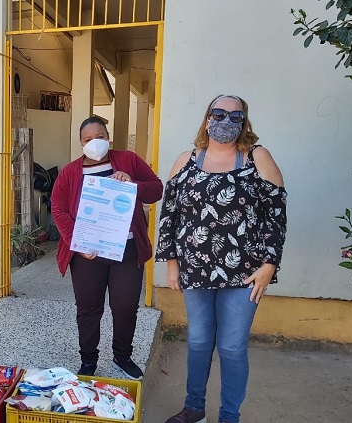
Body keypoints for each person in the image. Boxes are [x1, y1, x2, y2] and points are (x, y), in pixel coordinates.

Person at [155, 95, 287, 423]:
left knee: (231, 347)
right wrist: (172, 263)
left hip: (245, 273)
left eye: (234, 115)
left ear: (244, 121)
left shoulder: (257, 158)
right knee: (199, 341)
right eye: (218, 113)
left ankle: (230, 416)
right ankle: (194, 408)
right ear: (206, 118)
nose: (225, 120)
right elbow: (170, 213)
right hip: (195, 269)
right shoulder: (186, 160)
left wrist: (269, 265)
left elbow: (276, 215)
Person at [51, 116, 163, 380]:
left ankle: (122, 356)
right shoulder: (70, 172)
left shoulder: (128, 160)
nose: (95, 143)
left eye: (100, 137)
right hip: (88, 255)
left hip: (126, 250)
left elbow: (156, 190)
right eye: (88, 139)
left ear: (108, 137)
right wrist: (77, 243)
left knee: (125, 307)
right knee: (89, 309)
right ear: (81, 143)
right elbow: (58, 209)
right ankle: (88, 360)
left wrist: (132, 186)